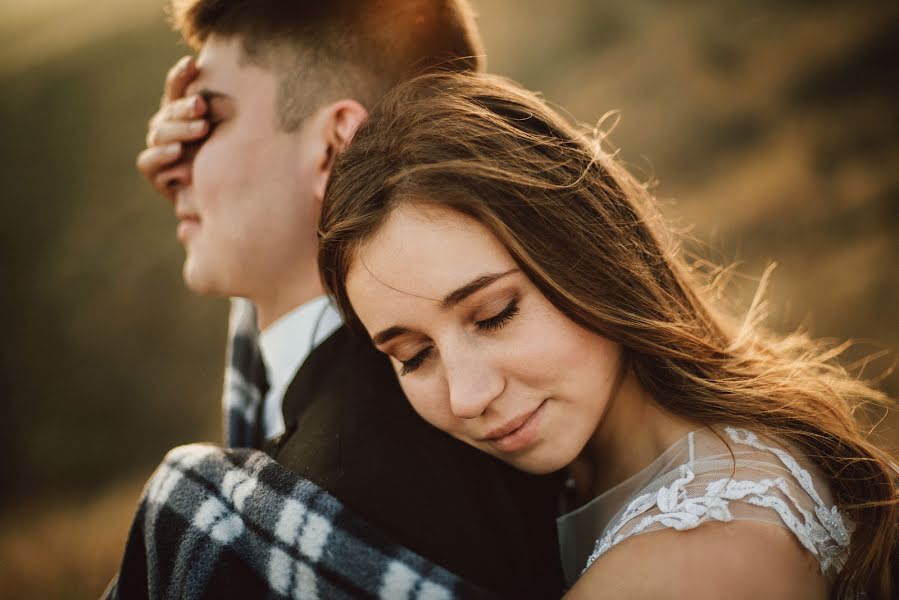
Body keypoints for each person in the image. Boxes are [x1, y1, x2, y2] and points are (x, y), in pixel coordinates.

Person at [318, 70, 899, 598]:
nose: (468, 397)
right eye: (415, 356)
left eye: (494, 314)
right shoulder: (572, 484)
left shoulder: (703, 553)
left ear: (588, 255)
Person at [125, 1, 564, 597]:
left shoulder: (349, 481)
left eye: (209, 119)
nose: (173, 163)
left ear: (333, 147)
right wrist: (209, 198)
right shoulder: (341, 400)